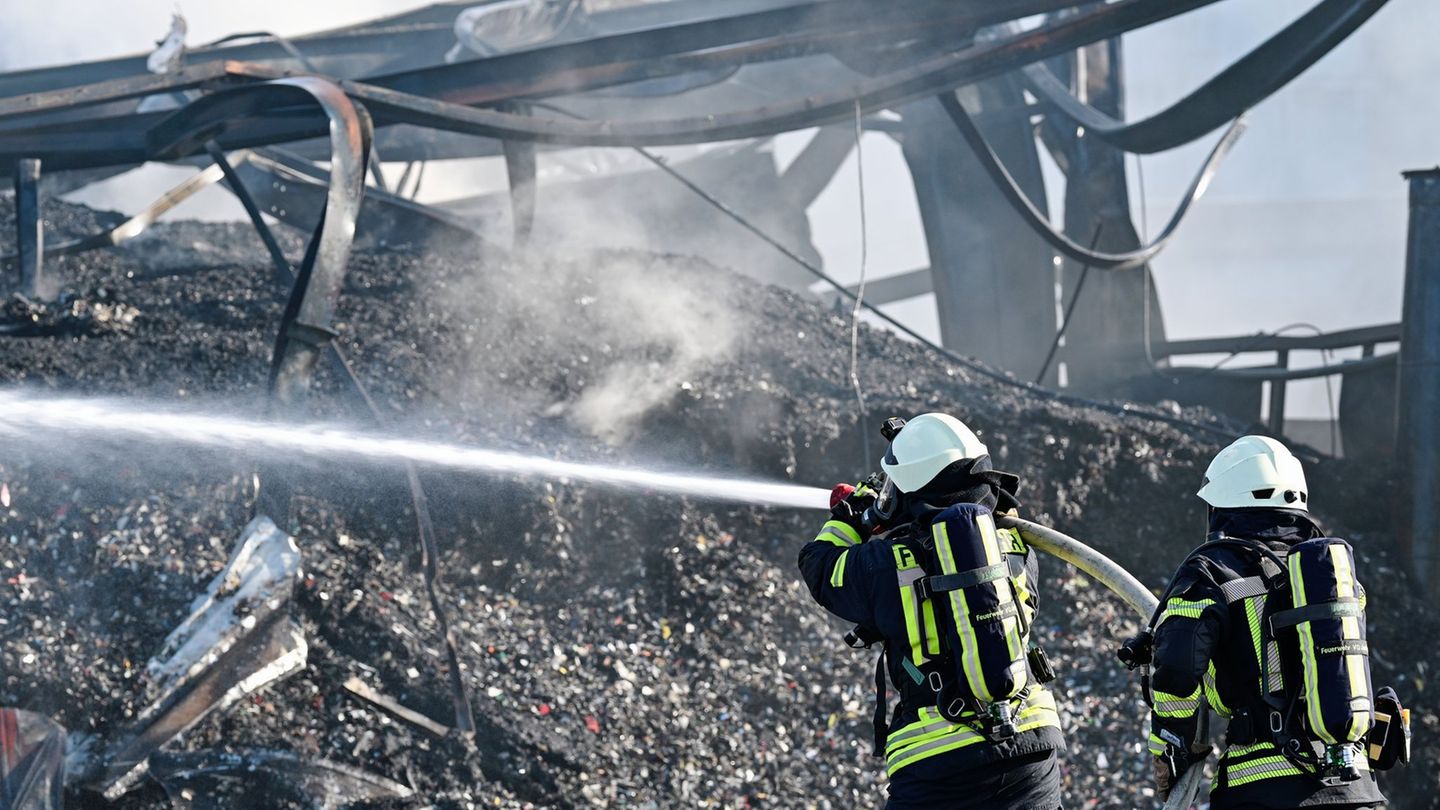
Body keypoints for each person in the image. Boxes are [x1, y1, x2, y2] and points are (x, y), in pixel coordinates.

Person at [797, 413, 1066, 810]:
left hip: (940, 761)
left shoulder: (884, 565)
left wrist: (850, 519)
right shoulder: (1014, 548)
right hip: (1031, 747)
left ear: (914, 488)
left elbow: (819, 567)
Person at [1146, 435, 1391, 808]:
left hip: (1264, 788)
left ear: (1222, 504)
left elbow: (1177, 670)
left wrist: (1172, 747)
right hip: (1358, 787)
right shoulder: (1334, 580)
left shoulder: (1213, 571)